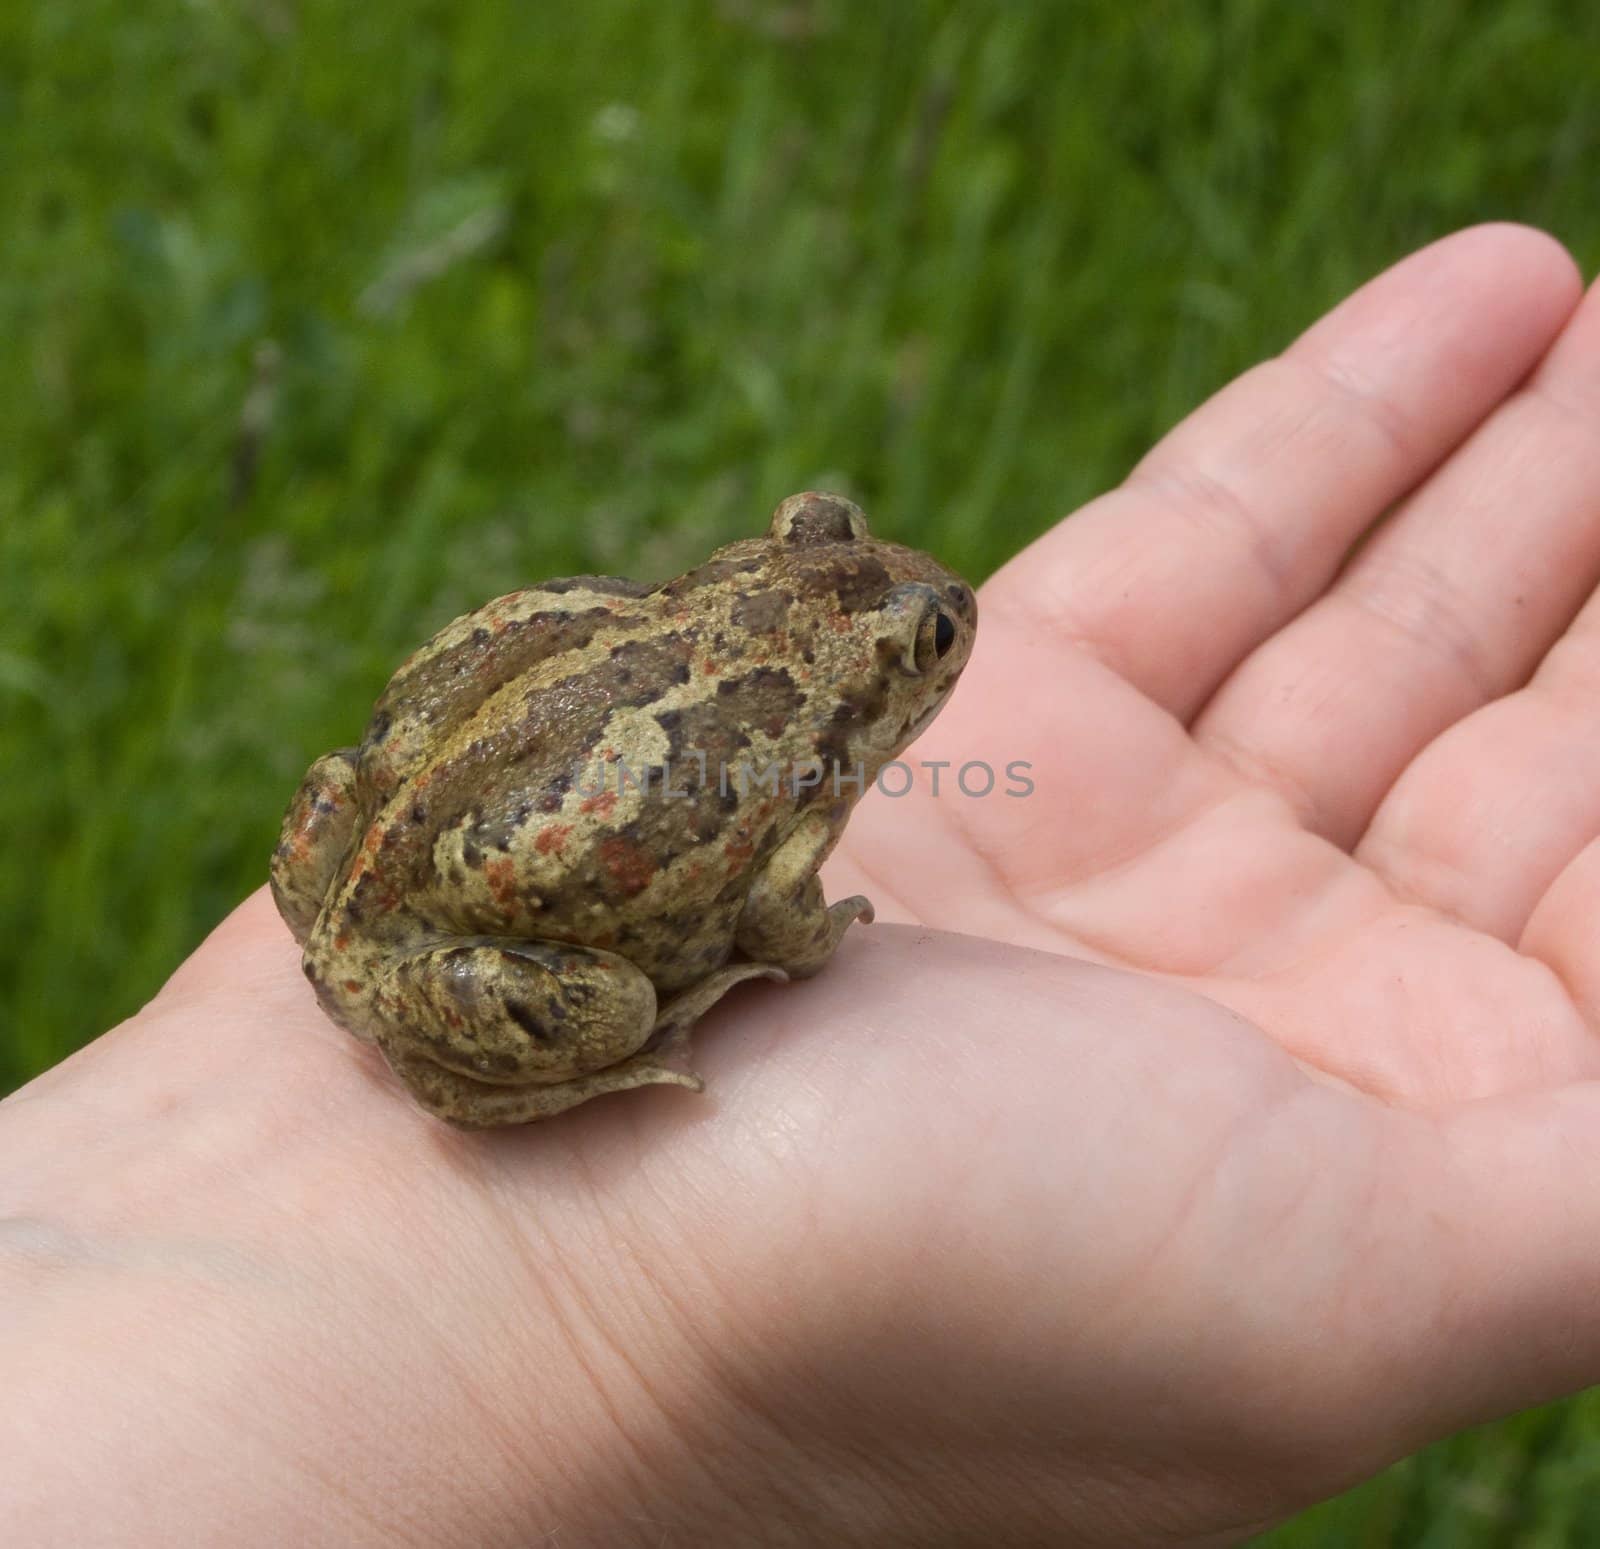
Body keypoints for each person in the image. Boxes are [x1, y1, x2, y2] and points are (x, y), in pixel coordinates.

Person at [4, 223, 1598, 1547]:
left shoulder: (684, 645)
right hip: (448, 946)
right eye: (921, 652)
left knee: (387, 815)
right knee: (624, 988)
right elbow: (775, 908)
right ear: (862, 704)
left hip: (353, 846)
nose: (929, 617)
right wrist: (804, 948)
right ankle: (482, 1033)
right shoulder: (791, 787)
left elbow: (386, 763)